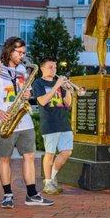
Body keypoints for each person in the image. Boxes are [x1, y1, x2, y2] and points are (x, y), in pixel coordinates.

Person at [0, 37, 53, 208]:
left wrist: (27, 94)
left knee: (29, 156)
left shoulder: (22, 69)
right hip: (5, 120)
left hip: (24, 119)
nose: (22, 55)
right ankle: (7, 194)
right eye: (19, 52)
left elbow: (26, 91)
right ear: (9, 50)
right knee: (5, 158)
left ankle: (32, 194)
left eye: (24, 52)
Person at [32, 58, 73, 195]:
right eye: (50, 67)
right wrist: (57, 86)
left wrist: (68, 90)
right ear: (42, 68)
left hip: (63, 122)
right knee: (50, 154)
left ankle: (51, 178)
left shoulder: (59, 84)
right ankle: (48, 182)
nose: (54, 69)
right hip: (49, 122)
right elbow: (43, 101)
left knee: (67, 152)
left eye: (55, 67)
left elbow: (67, 104)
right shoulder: (38, 83)